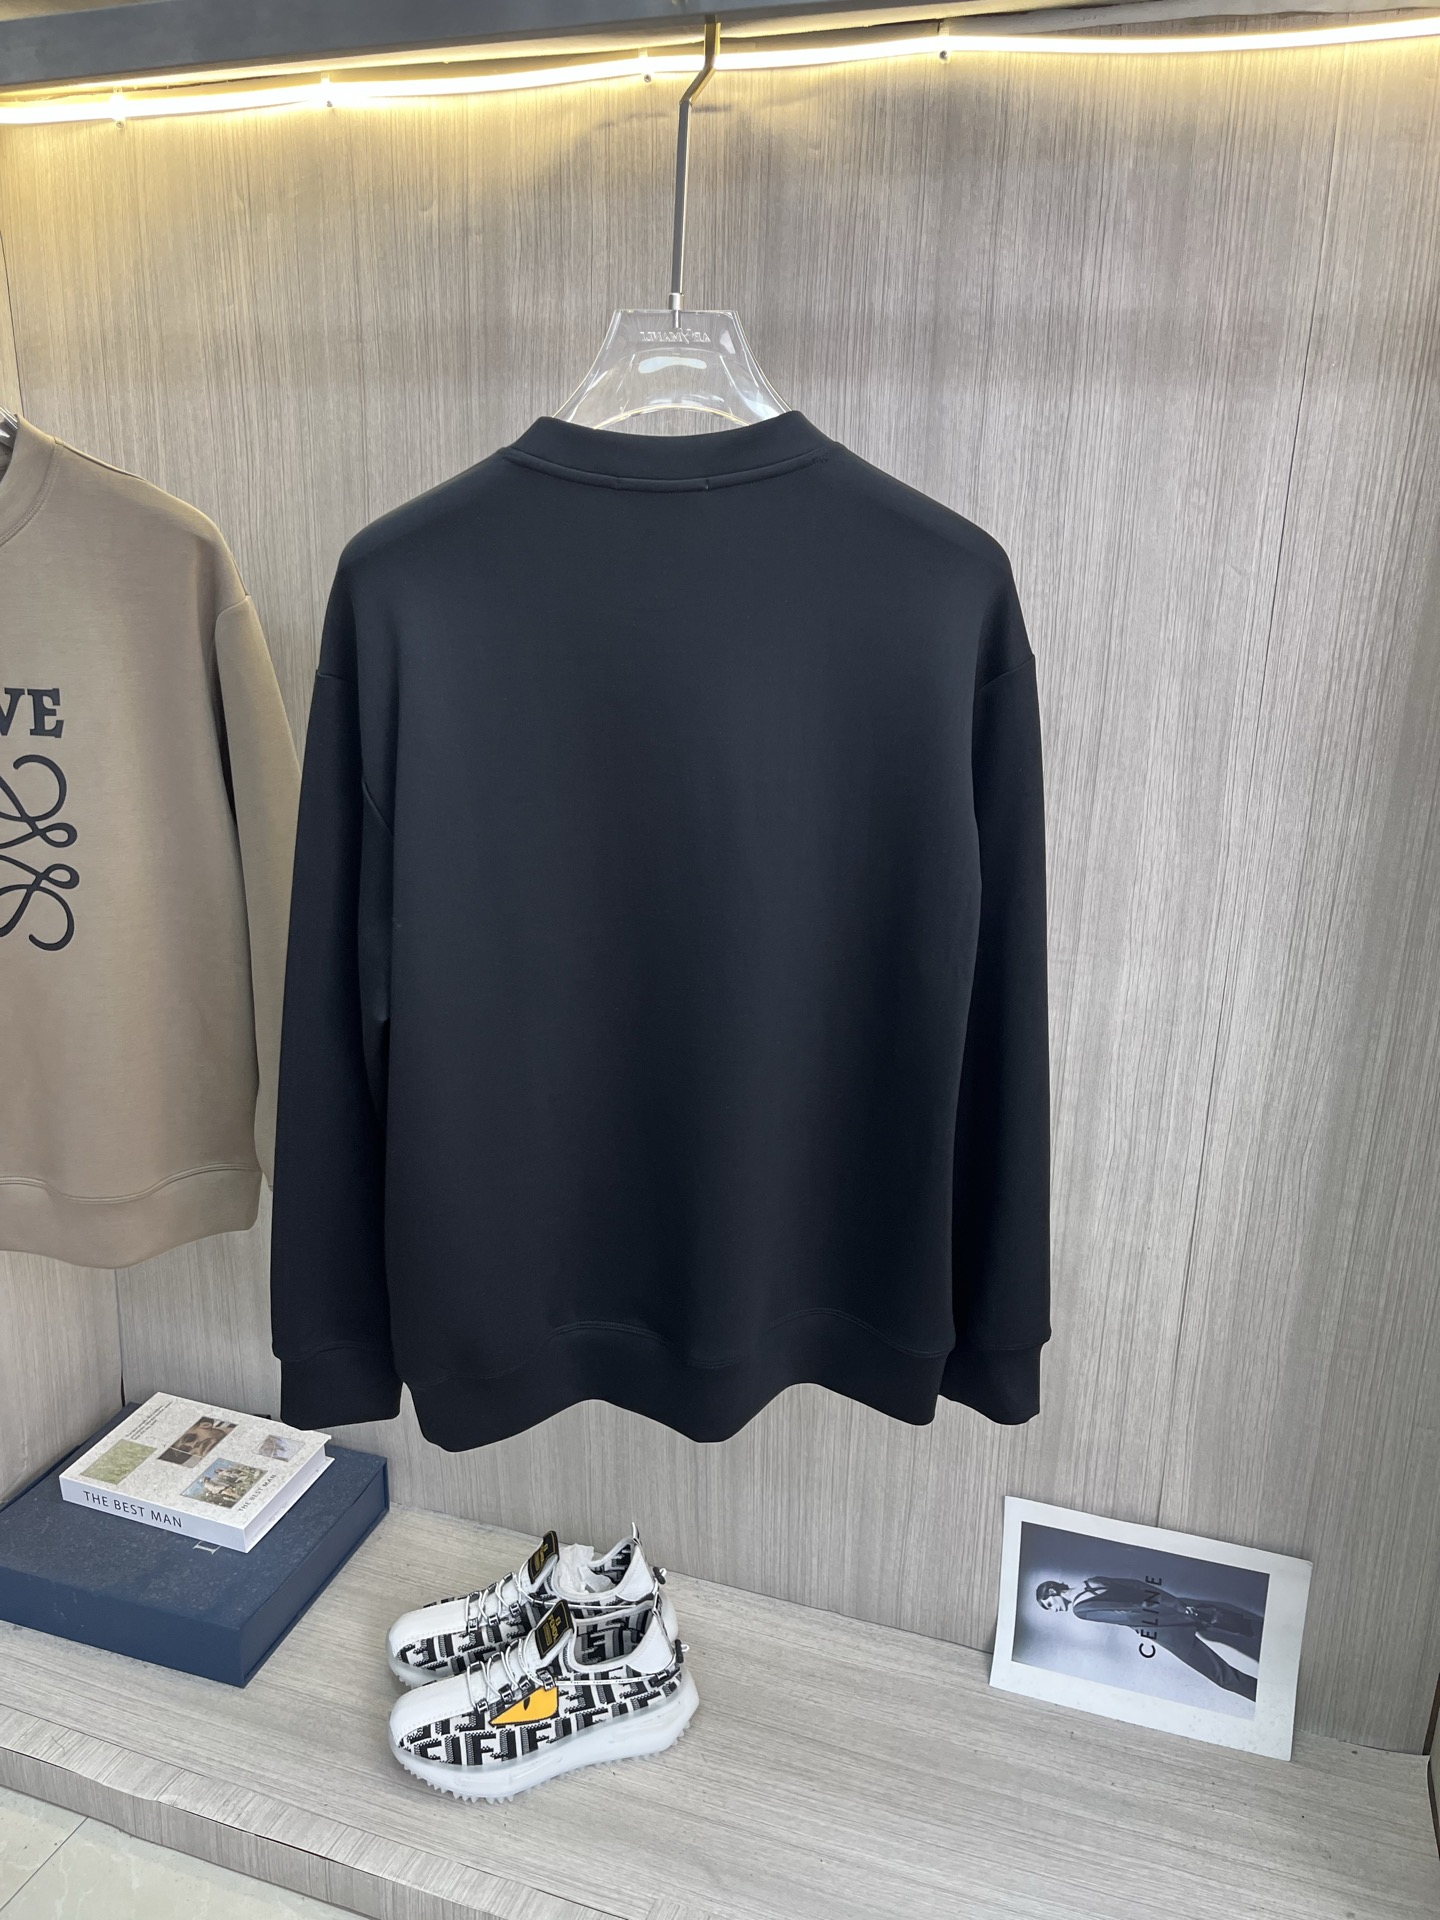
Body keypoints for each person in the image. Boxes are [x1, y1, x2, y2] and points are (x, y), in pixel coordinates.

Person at [1035, 1575, 1263, 1700]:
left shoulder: (1080, 1609)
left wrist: (1171, 1620)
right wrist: (1178, 1606)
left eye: (1049, 1604)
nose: (1054, 1610)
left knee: (1222, 1676)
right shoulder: (1092, 1581)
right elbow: (1139, 1586)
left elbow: (1128, 1616)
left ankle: (1268, 1701)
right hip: (1173, 1607)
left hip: (1164, 1629)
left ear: (1053, 1591)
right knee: (1244, 1627)